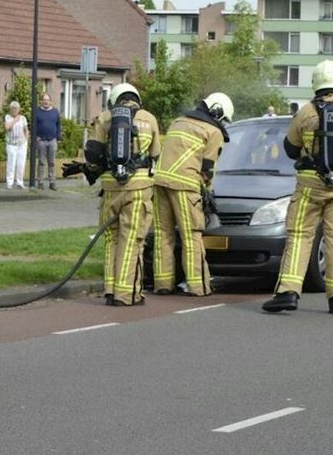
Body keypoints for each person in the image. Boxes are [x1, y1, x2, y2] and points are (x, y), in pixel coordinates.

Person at [262, 61, 333, 315]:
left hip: (309, 186)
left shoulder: (305, 113)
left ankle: (288, 293)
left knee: (300, 236)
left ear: (317, 84)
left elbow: (291, 150)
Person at [80, 84, 161, 306]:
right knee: (132, 240)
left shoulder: (104, 118)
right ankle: (126, 295)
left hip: (109, 189)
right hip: (138, 189)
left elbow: (94, 156)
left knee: (111, 238)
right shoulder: (149, 119)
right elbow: (155, 156)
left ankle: (110, 290)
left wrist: (89, 171)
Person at [152, 93, 234, 296]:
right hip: (186, 186)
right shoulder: (213, 131)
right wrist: (207, 191)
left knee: (163, 235)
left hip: (160, 182)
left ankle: (163, 284)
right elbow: (207, 169)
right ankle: (198, 286)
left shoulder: (178, 122)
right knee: (192, 236)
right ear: (218, 111)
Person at [34, 93, 62, 190]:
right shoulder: (37, 112)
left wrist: (58, 138)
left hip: (52, 140)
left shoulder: (55, 112)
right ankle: (40, 182)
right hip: (41, 140)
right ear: (41, 101)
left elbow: (58, 125)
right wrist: (35, 136)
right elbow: (34, 125)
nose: (46, 101)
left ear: (50, 101)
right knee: (41, 162)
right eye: (44, 99)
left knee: (52, 162)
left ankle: (52, 182)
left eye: (47, 100)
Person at [4, 101, 29, 189]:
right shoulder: (8, 117)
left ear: (19, 109)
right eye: (12, 108)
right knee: (11, 163)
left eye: (16, 108)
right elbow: (7, 127)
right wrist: (15, 120)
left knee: (21, 163)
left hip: (22, 144)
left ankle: (20, 182)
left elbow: (26, 129)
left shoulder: (23, 118)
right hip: (11, 144)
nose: (14, 110)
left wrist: (26, 140)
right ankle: (9, 183)